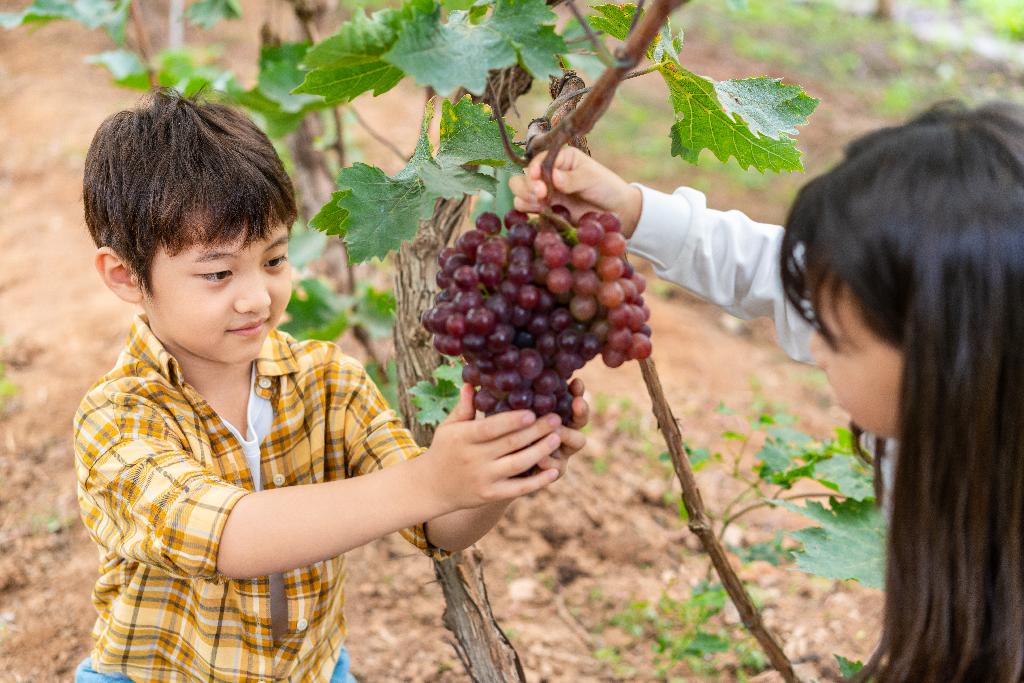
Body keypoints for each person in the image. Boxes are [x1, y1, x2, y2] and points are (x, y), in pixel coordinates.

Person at [72, 88, 588, 683]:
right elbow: (226, 535)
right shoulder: (116, 418)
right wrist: (428, 481)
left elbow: (439, 525)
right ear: (125, 275)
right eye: (217, 273)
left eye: (273, 260)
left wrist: (495, 468)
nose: (256, 296)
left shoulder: (327, 382)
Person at [510, 101, 1024, 682]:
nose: (814, 347)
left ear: (944, 357)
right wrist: (632, 211)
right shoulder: (977, 378)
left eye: (836, 337)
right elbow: (772, 270)